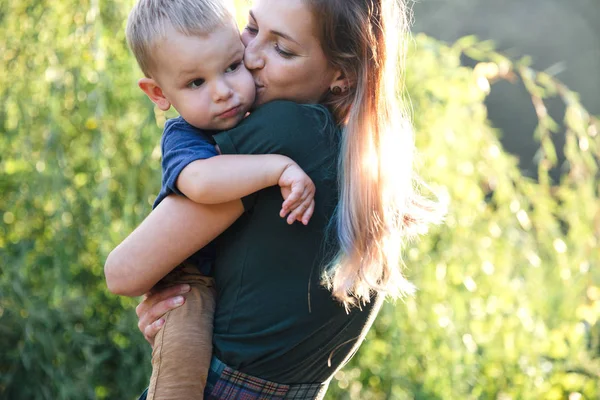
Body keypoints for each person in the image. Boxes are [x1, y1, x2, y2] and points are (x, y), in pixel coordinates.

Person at [104, 0, 443, 398]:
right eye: (250, 28)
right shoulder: (362, 161)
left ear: (341, 74)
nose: (249, 57)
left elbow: (123, 272)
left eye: (281, 49)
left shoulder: (288, 130)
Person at [109, 0, 317, 398]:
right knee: (181, 375)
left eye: (232, 67)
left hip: (234, 282)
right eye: (196, 83)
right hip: (190, 283)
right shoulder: (184, 137)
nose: (223, 92)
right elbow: (202, 183)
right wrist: (277, 168)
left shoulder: (260, 116)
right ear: (158, 92)